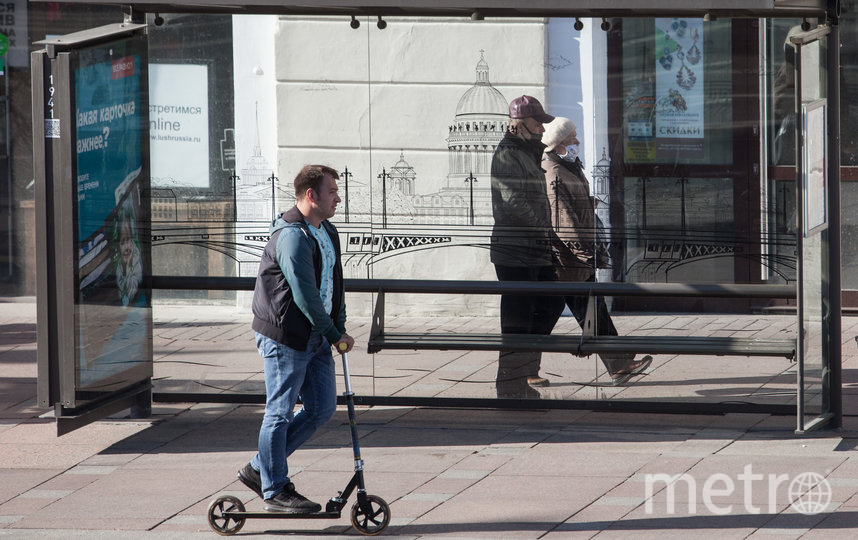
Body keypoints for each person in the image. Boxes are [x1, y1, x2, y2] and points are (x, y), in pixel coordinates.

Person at [238, 164, 355, 512]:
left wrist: (339, 323)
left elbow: (335, 284)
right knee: (279, 412)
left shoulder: (326, 230)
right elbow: (304, 296)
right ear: (310, 195)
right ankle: (274, 490)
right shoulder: (291, 236)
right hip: (287, 336)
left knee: (321, 408)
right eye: (332, 191)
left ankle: (260, 468)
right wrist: (334, 334)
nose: (338, 197)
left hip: (315, 334)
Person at [541, 117, 652, 385]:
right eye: (572, 138)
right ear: (558, 143)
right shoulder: (554, 172)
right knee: (569, 315)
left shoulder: (567, 166)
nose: (577, 142)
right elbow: (563, 221)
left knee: (593, 311)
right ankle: (521, 369)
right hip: (570, 261)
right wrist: (586, 253)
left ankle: (619, 362)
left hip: (576, 260)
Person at [490, 95, 566, 398]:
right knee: (518, 321)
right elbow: (513, 201)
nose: (542, 129)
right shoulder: (509, 153)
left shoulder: (527, 151)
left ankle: (526, 372)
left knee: (551, 301)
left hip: (533, 247)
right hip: (515, 249)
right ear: (521, 123)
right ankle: (511, 386)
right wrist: (545, 228)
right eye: (538, 123)